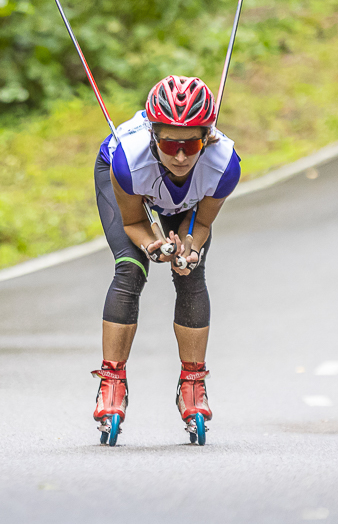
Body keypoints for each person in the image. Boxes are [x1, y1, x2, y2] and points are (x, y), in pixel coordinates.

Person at [92, 75, 241, 443]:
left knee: (191, 272)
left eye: (191, 145)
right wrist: (152, 246)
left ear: (207, 139)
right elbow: (133, 221)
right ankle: (112, 383)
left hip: (186, 200)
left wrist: (189, 248)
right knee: (131, 269)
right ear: (152, 135)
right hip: (130, 190)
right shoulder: (129, 160)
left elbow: (202, 222)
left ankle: (193, 383)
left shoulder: (224, 165)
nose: (179, 156)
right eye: (169, 143)